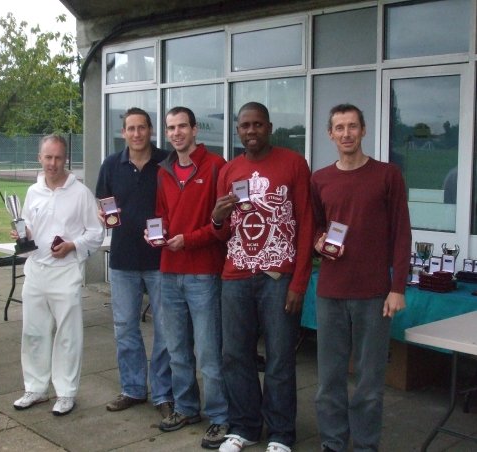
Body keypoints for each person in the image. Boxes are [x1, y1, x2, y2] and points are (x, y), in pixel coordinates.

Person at [211, 102, 314, 452]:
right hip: (236, 275)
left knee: (280, 357)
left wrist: (299, 282)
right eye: (244, 125)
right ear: (237, 130)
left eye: (257, 124)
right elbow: (223, 233)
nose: (250, 131)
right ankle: (245, 427)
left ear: (269, 127)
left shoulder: (294, 164)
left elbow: (307, 224)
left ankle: (282, 433)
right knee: (234, 355)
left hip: (278, 277)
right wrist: (216, 218)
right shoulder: (230, 170)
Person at [310, 104, 411, 452]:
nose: (346, 134)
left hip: (373, 293)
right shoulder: (320, 178)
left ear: (364, 131)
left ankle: (366, 445)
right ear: (330, 134)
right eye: (339, 128)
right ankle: (333, 443)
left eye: (352, 126)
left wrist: (398, 287)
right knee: (329, 381)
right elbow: (316, 226)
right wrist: (318, 241)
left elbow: (402, 233)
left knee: (370, 382)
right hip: (331, 292)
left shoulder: (387, 175)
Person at [154, 106, 229, 449]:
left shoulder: (216, 167)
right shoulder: (164, 170)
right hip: (169, 272)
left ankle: (219, 417)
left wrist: (189, 240)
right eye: (171, 128)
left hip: (203, 273)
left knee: (209, 352)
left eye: (183, 126)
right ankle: (186, 408)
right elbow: (161, 215)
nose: (177, 132)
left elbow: (223, 225)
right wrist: (156, 233)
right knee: (177, 349)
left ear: (195, 129)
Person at [13, 134, 104, 416]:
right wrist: (22, 233)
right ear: (39, 158)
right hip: (36, 270)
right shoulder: (33, 192)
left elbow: (96, 232)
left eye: (58, 158)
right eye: (48, 157)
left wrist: (72, 246)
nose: (52, 163)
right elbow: (29, 225)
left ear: (66, 159)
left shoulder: (81, 193)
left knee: (68, 334)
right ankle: (36, 388)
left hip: (66, 272)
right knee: (34, 332)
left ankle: (65, 392)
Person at [96, 108, 173, 418]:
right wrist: (103, 215)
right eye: (131, 128)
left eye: (142, 127)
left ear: (151, 130)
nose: (137, 133)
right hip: (123, 259)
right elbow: (103, 201)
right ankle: (133, 388)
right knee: (125, 327)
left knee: (166, 330)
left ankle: (164, 393)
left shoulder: (166, 162)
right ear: (124, 132)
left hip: (160, 259)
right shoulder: (112, 164)